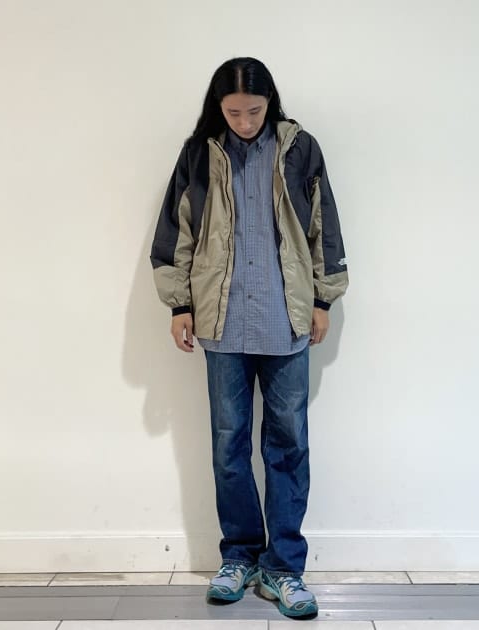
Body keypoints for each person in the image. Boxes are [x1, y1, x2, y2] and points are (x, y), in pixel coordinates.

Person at [150, 57, 348, 618]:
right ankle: (238, 556)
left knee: (288, 443)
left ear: (270, 103)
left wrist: (322, 298)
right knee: (229, 444)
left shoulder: (299, 149)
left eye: (254, 111)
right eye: (233, 112)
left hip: (286, 319)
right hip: (222, 322)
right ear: (218, 107)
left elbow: (324, 226)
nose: (244, 121)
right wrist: (179, 303)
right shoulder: (200, 153)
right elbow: (176, 229)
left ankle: (283, 568)